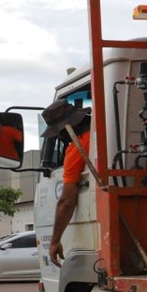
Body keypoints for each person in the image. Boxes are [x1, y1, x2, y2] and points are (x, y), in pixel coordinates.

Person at [41, 100, 92, 266]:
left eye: (57, 133)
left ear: (65, 128)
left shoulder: (77, 148)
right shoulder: (105, 131)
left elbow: (67, 202)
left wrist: (55, 241)